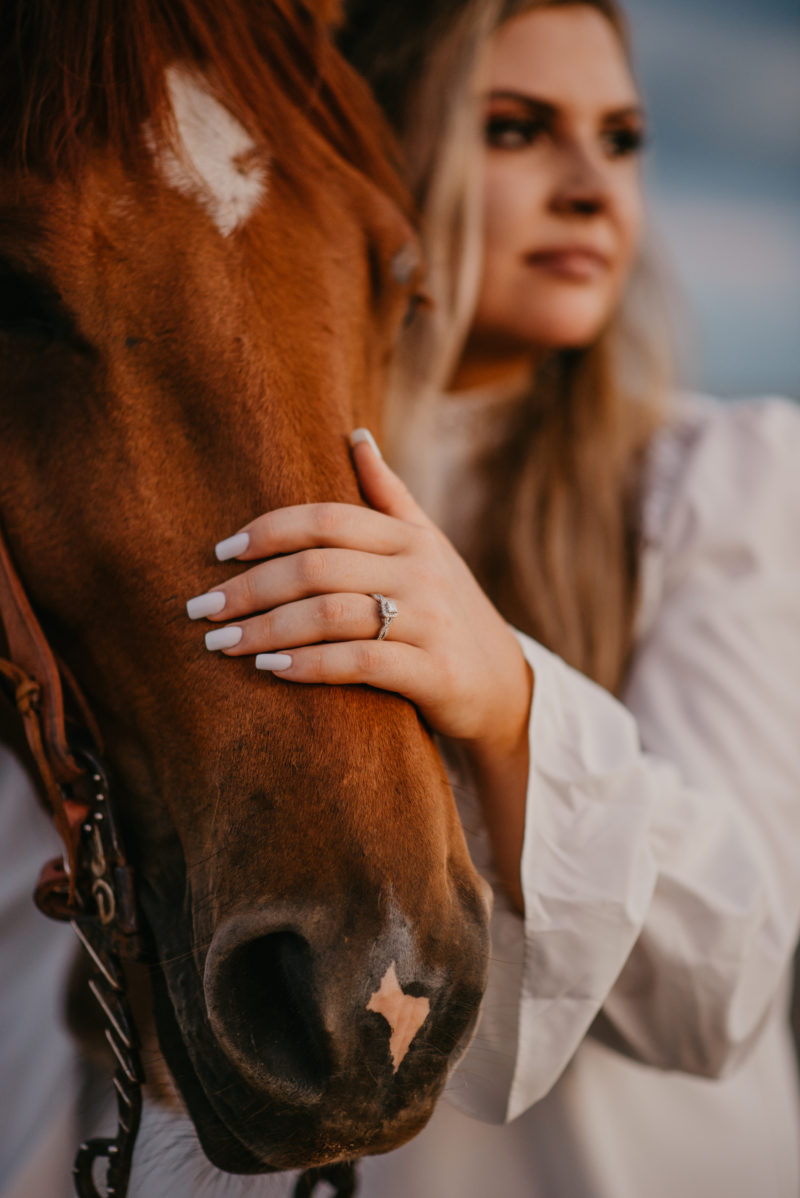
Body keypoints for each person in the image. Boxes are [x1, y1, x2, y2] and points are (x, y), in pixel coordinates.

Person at [182, 2, 800, 1196]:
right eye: (515, 129)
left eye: (618, 139)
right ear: (381, 151)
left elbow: (727, 979)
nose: (585, 184)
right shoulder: (221, 497)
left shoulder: (720, 480)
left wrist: (510, 700)